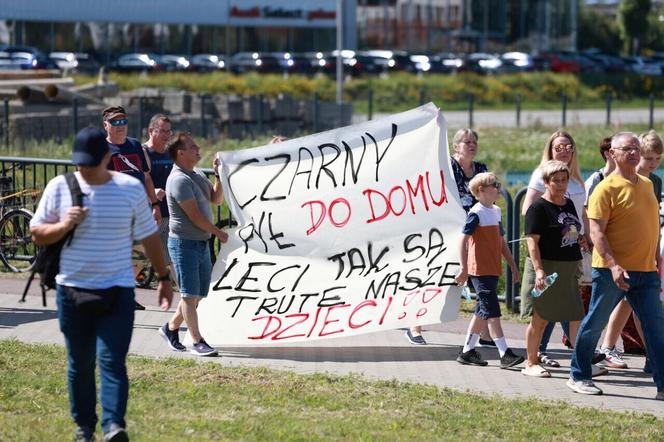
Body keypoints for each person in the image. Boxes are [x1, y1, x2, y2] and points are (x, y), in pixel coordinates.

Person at [30, 127, 173, 442]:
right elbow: (37, 233)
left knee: (111, 361)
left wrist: (163, 278)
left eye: (91, 162)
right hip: (72, 290)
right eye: (80, 162)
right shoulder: (59, 187)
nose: (85, 169)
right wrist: (65, 224)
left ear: (107, 157)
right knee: (79, 363)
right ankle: (84, 427)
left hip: (118, 291)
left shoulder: (129, 188)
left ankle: (113, 427)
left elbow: (149, 236)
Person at [568, 132, 664, 401]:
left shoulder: (646, 185)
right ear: (612, 153)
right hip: (612, 272)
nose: (633, 153)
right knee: (595, 323)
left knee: (656, 329)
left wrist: (656, 255)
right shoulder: (605, 189)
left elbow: (652, 224)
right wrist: (613, 265)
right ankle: (578, 375)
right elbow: (596, 233)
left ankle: (662, 385)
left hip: (645, 271)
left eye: (636, 148)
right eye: (627, 149)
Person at [406, 128, 491, 346]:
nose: (471, 145)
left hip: (476, 233)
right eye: (466, 142)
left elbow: (487, 193)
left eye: (474, 142)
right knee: (436, 278)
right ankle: (414, 326)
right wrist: (435, 125)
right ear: (455, 146)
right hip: (448, 234)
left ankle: (484, 334)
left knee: (481, 281)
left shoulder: (481, 169)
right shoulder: (447, 165)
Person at [520, 130, 587, 368]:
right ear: (546, 182)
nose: (560, 184)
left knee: (576, 316)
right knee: (540, 318)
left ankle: (580, 363)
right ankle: (531, 361)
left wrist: (579, 238)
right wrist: (539, 271)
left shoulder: (568, 201)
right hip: (548, 266)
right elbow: (532, 241)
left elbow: (572, 225)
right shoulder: (539, 207)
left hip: (569, 267)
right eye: (555, 181)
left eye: (564, 180)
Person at [158, 132, 228, 356]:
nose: (198, 149)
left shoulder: (196, 173)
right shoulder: (178, 180)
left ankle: (170, 328)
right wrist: (219, 233)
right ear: (180, 153)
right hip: (183, 244)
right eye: (192, 147)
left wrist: (218, 175)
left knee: (197, 295)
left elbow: (216, 199)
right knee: (189, 296)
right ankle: (197, 341)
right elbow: (195, 217)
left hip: (200, 243)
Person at [597, 130, 662, 369]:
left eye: (657, 159)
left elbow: (651, 219)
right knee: (623, 304)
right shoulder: (619, 181)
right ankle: (608, 347)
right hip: (621, 255)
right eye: (649, 159)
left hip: (645, 254)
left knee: (637, 304)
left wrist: (655, 252)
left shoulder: (653, 182)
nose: (653, 164)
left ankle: (650, 357)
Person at [454, 172, 524, 368]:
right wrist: (464, 268)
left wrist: (512, 264)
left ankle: (467, 352)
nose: (498, 188)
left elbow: (501, 241)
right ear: (481, 190)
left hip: (492, 269)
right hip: (480, 271)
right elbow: (463, 240)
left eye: (498, 184)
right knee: (493, 311)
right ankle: (505, 353)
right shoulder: (476, 213)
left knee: (481, 312)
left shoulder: (495, 211)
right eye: (494, 185)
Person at [103, 105, 162, 311]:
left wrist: (154, 204)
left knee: (141, 254)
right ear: (106, 125)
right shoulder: (101, 149)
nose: (121, 126)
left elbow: (146, 177)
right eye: (116, 122)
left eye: (124, 121)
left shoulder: (135, 146)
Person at [142, 114, 175, 280]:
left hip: (170, 216)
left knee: (174, 260)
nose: (166, 135)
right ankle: (124, 296)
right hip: (148, 216)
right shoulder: (143, 152)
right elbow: (134, 183)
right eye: (162, 131)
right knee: (137, 259)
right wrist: (151, 192)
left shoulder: (172, 153)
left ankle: (190, 301)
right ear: (150, 131)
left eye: (169, 131)